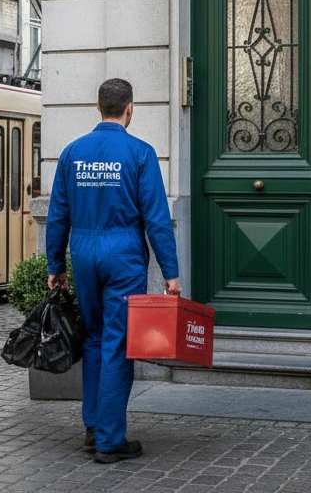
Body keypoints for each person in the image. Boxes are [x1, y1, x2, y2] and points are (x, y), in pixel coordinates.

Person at [45, 77, 181, 464]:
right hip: (122, 254)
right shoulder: (140, 152)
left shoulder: (73, 152)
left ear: (98, 106)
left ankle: (92, 426)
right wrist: (170, 271)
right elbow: (156, 219)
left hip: (84, 250)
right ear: (130, 109)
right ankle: (109, 440)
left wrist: (55, 264)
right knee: (118, 343)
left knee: (92, 337)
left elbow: (58, 215)